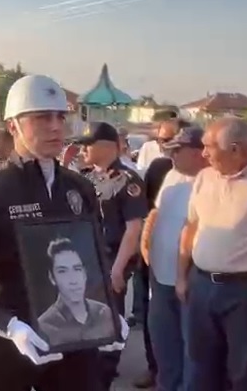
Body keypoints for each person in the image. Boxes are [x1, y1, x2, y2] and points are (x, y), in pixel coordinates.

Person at [0, 74, 127, 391]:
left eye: (60, 117)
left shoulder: (78, 188)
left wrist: (106, 311)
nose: (55, 126)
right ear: (12, 126)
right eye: (41, 117)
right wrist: (6, 323)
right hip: (10, 339)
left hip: (73, 337)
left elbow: (94, 256)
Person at [177, 117, 247, 391]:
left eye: (209, 146)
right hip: (202, 285)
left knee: (245, 373)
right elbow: (191, 227)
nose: (203, 153)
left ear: (235, 149)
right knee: (201, 369)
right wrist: (182, 277)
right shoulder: (204, 177)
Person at [76, 121, 148, 390]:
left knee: (109, 316)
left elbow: (133, 228)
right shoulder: (86, 176)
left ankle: (106, 368)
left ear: (107, 146)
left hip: (111, 257)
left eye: (87, 145)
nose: (82, 150)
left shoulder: (127, 181)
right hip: (86, 256)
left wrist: (118, 268)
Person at [140, 126, 207, 391]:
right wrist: (146, 243)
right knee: (163, 340)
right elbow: (156, 212)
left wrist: (183, 274)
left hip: (190, 278)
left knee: (192, 348)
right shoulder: (172, 175)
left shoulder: (211, 182)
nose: (173, 155)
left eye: (178, 150)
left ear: (200, 152)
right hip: (160, 276)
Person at [37, 238, 115, 348]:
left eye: (77, 269)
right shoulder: (45, 326)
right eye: (62, 271)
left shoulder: (104, 313)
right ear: (52, 278)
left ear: (85, 273)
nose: (73, 280)